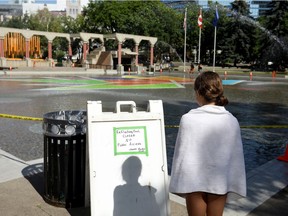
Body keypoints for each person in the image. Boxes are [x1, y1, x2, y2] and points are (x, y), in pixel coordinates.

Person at [169, 71, 246, 216]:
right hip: (220, 179)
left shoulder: (188, 119)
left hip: (194, 181)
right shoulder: (231, 120)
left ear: (198, 92)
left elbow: (183, 155)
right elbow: (235, 157)